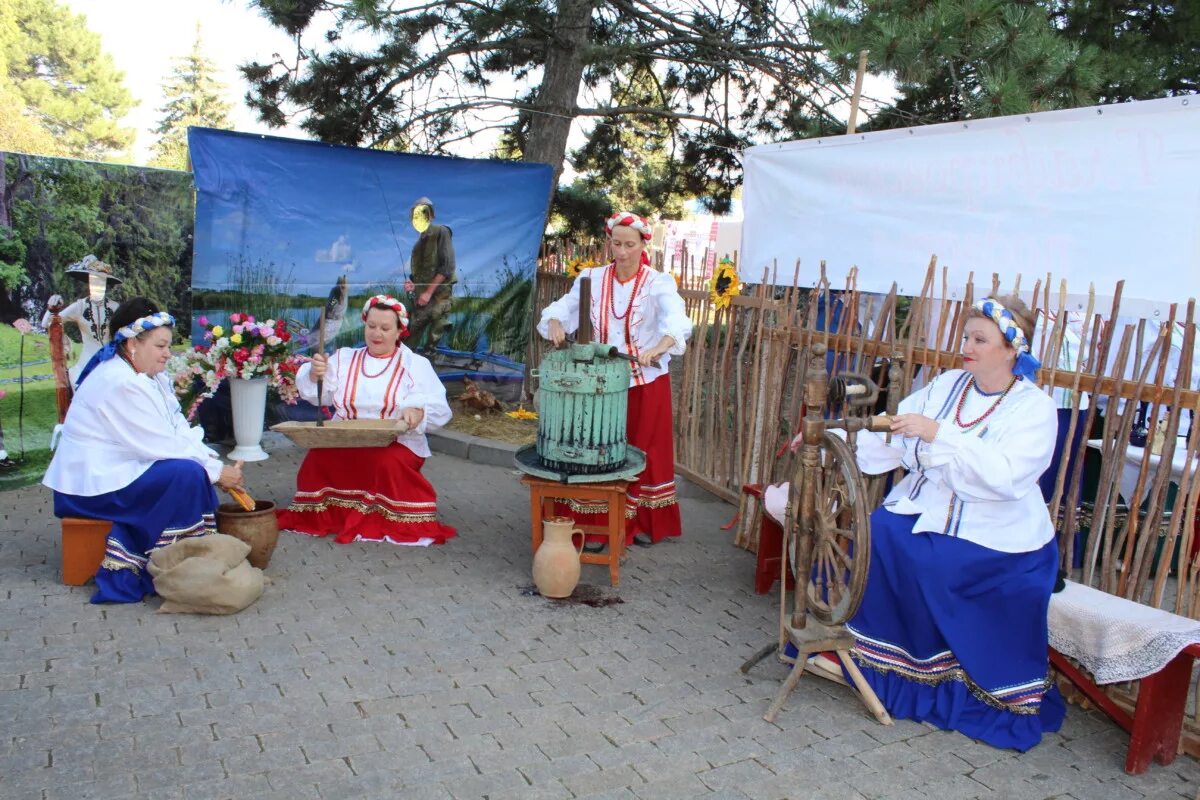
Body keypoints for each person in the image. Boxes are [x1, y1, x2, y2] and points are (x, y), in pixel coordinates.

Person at [766, 294, 1065, 751]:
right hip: (929, 509)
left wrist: (939, 433)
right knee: (882, 533)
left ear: (1011, 349)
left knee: (931, 561)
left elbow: (1005, 479)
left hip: (998, 535)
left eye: (980, 339)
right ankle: (862, 656)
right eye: (966, 336)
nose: (967, 346)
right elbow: (894, 432)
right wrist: (858, 432)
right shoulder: (948, 384)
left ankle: (926, 677)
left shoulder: (1034, 408)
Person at [42, 298, 244, 604]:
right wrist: (217, 473)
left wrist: (211, 462)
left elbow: (177, 429)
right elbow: (161, 444)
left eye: (168, 346)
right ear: (133, 343)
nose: (167, 354)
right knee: (186, 474)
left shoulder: (147, 377)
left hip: (115, 473)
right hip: (89, 489)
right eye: (161, 346)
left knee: (191, 471)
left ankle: (196, 558)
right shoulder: (119, 381)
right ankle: (175, 566)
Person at [537, 211, 692, 549]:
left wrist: (664, 343)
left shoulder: (657, 283)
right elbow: (564, 307)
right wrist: (554, 321)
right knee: (596, 449)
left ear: (643, 245)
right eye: (617, 244)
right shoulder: (591, 278)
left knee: (641, 450)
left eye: (629, 245)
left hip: (643, 380)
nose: (622, 252)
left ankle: (640, 522)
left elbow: (676, 317)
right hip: (599, 383)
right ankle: (593, 525)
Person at [276, 295, 456, 545]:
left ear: (399, 331)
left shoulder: (414, 364)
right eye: (371, 326)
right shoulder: (344, 358)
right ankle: (328, 515)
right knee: (319, 457)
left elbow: (438, 407)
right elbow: (321, 397)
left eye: (385, 328)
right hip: (346, 437)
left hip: (397, 442)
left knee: (385, 461)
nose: (376, 334)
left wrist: (418, 411)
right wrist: (316, 374)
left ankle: (387, 516)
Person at [40, 255, 123, 387]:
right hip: (87, 363)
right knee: (81, 388)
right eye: (94, 282)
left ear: (106, 285)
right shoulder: (80, 307)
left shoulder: (115, 307)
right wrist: (50, 309)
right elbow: (47, 324)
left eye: (101, 282)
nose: (97, 286)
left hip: (112, 361)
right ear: (89, 283)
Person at [405, 197, 456, 352]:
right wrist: (412, 285)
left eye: (423, 213)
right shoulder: (417, 246)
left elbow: (447, 267)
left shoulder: (442, 232)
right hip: (421, 302)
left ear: (431, 215)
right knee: (409, 340)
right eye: (416, 215)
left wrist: (428, 293)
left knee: (433, 343)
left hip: (438, 299)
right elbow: (418, 275)